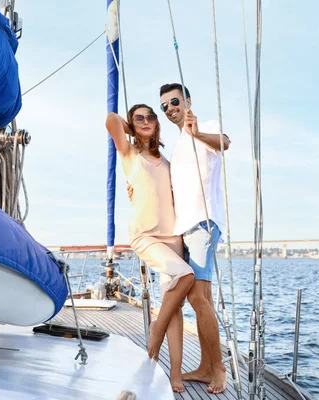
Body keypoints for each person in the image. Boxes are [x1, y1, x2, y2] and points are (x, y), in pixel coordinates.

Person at [106, 104, 194, 393]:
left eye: (150, 117)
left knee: (175, 308)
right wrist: (133, 128)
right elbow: (110, 120)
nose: (146, 121)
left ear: (158, 124)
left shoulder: (166, 162)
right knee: (186, 276)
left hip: (173, 237)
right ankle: (156, 329)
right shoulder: (130, 154)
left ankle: (175, 374)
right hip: (145, 235)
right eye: (139, 118)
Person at [160, 83, 230, 394]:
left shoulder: (205, 127)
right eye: (164, 106)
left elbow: (225, 144)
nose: (170, 108)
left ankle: (218, 369)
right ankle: (204, 366)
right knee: (200, 299)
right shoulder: (176, 146)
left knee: (198, 298)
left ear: (188, 101)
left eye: (174, 101)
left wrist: (197, 132)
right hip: (184, 227)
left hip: (203, 222)